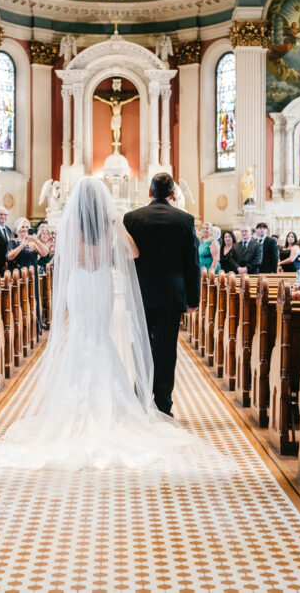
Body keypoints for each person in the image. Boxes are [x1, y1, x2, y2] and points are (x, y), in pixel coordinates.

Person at [0, 176, 222, 472]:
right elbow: (133, 253)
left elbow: (60, 259)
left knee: (81, 335)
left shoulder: (69, 226)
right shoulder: (111, 226)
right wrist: (116, 224)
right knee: (100, 337)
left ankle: (72, 410)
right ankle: (137, 402)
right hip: (100, 284)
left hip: (79, 284)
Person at [123, 172, 201, 416]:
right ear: (172, 193)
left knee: (141, 344)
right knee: (166, 348)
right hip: (171, 294)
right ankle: (163, 402)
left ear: (149, 192)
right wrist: (193, 299)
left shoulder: (132, 218)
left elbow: (125, 258)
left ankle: (141, 395)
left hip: (140, 293)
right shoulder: (184, 220)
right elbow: (193, 263)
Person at [8, 217, 49, 327]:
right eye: (22, 227)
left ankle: (35, 325)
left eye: (27, 227)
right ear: (17, 229)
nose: (25, 229)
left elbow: (45, 252)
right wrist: (22, 245)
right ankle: (21, 325)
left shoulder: (33, 243)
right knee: (20, 300)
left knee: (33, 298)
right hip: (19, 275)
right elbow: (10, 256)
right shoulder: (13, 242)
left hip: (33, 275)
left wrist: (36, 240)